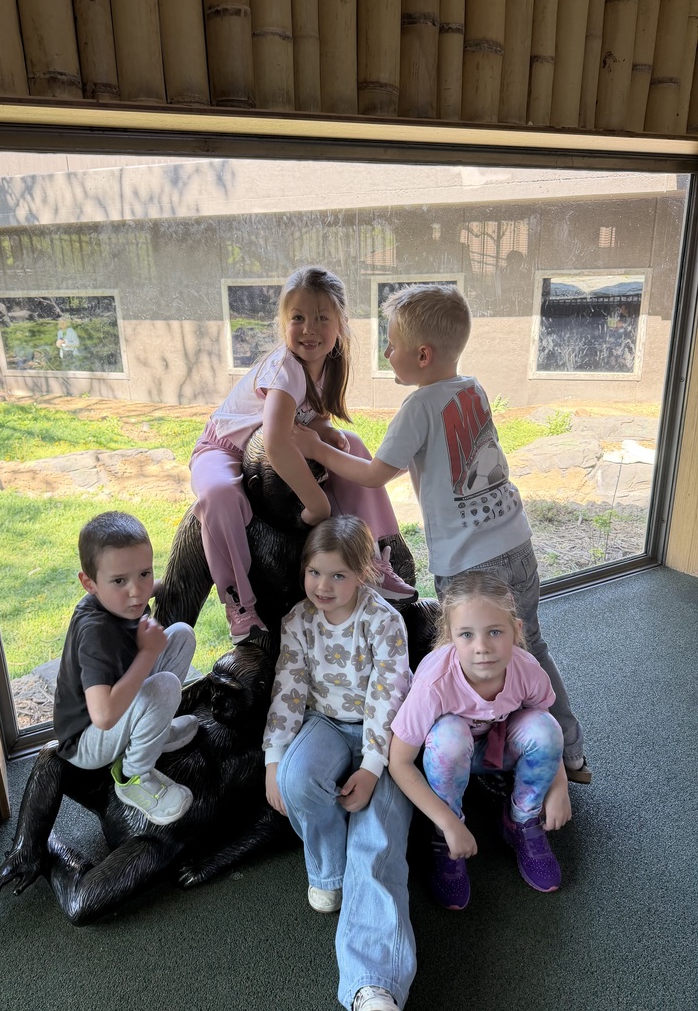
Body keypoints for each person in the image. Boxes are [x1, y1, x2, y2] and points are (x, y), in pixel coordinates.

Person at [293, 282, 590, 785]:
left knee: (466, 656)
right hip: (516, 544)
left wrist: (316, 448)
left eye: (391, 344)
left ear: (422, 354)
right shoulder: (471, 388)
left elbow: (372, 473)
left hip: (468, 564)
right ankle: (572, 754)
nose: (386, 352)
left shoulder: (419, 406)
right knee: (529, 645)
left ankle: (467, 759)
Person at [189, 265, 417, 645]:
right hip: (225, 448)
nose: (309, 329)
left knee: (353, 443)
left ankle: (376, 556)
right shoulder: (285, 369)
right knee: (218, 496)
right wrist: (317, 504)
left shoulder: (326, 363)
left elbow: (312, 413)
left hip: (268, 447)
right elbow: (277, 442)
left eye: (321, 318)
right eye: (298, 318)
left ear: (340, 325)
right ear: (284, 323)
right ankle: (240, 603)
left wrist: (325, 430)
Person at [263, 515, 416, 1011]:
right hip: (325, 724)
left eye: (338, 576)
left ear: (364, 575)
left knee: (376, 847)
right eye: (314, 573)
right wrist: (273, 760)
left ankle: (373, 986)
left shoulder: (383, 621)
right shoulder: (299, 621)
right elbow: (289, 690)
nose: (323, 587)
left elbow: (387, 696)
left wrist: (373, 767)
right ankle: (328, 871)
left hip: (386, 738)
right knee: (296, 777)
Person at [389, 571, 569, 909]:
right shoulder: (434, 682)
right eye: (467, 635)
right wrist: (445, 822)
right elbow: (398, 762)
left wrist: (559, 787)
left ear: (516, 630)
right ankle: (447, 838)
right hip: (450, 757)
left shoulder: (526, 668)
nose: (482, 648)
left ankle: (520, 820)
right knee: (449, 738)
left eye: (495, 632)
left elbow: (548, 725)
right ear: (451, 636)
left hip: (500, 750)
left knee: (544, 729)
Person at [53, 511, 200, 826]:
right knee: (164, 687)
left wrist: (167, 581)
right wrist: (147, 652)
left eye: (144, 574)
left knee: (181, 635)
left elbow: (140, 586)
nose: (137, 591)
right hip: (87, 740)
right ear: (89, 583)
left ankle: (150, 736)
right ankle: (133, 776)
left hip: (118, 706)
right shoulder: (95, 633)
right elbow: (104, 717)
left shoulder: (118, 598)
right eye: (120, 580)